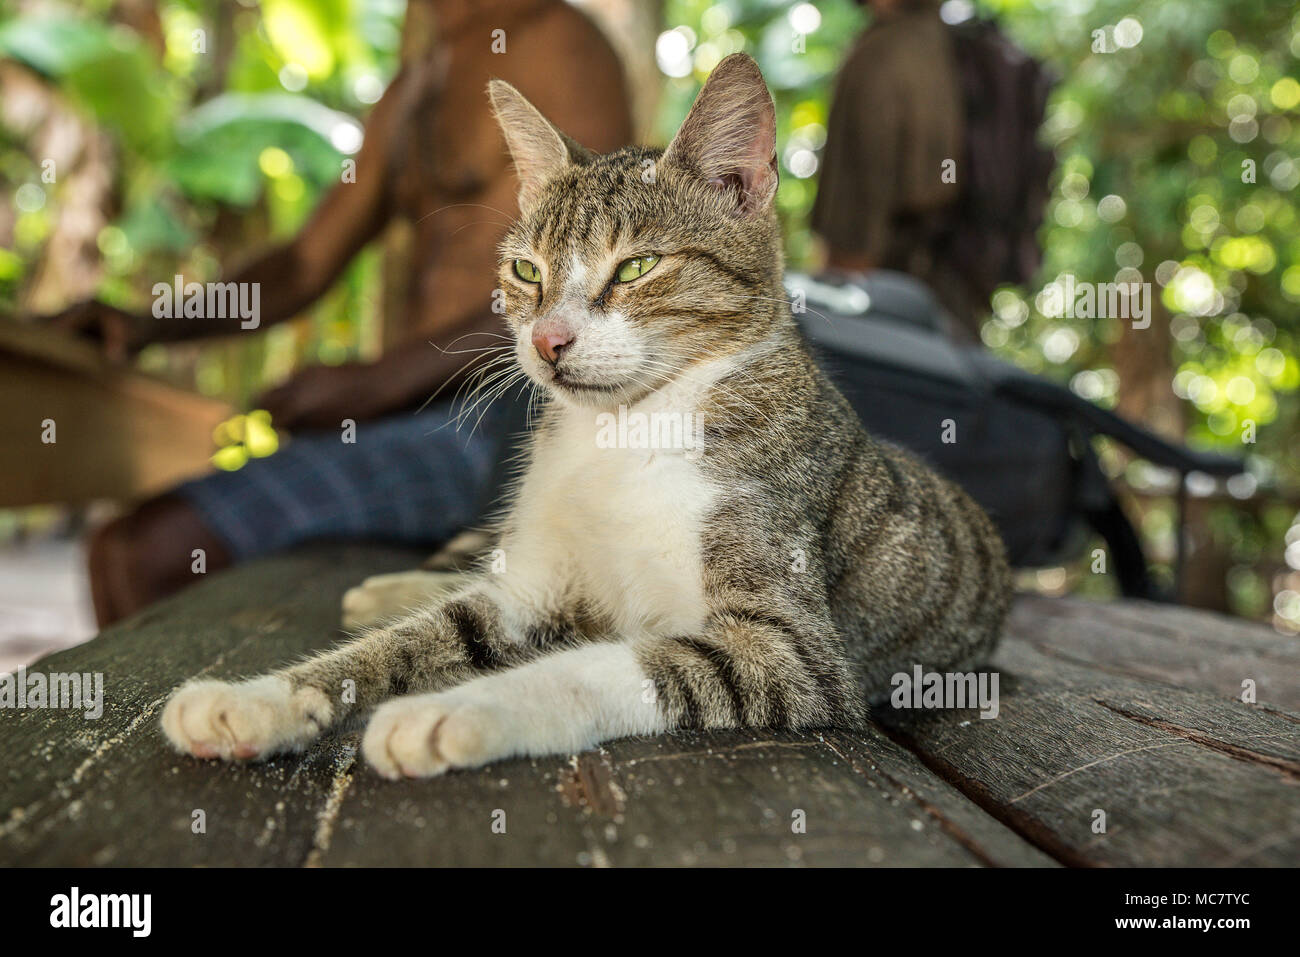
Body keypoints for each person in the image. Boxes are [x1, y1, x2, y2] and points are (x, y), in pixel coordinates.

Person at [51, 0, 632, 626]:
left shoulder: (556, 41)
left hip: (496, 420)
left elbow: (567, 300)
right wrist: (147, 325)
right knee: (117, 549)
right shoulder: (418, 83)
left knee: (143, 551)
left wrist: (366, 386)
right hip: (406, 416)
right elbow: (302, 264)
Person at [810, 0, 979, 337]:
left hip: (886, 316)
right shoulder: (944, 41)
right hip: (949, 307)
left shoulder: (878, 59)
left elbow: (851, 241)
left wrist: (827, 325)